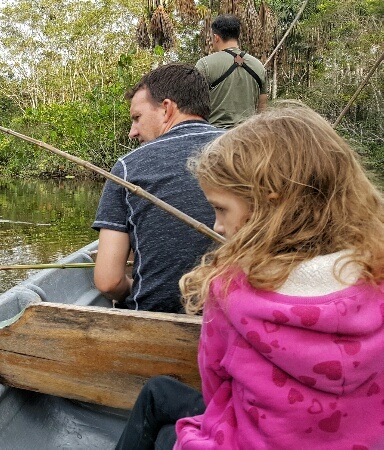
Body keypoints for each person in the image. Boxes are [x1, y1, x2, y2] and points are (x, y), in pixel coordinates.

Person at [117, 101, 384, 449]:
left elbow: (216, 397)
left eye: (221, 209)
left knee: (163, 409)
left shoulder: (230, 292)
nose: (217, 225)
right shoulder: (375, 278)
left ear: (270, 203)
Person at [92, 63, 221, 313]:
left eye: (137, 118)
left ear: (166, 108)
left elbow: (108, 282)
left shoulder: (128, 168)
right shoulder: (252, 153)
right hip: (236, 319)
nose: (132, 132)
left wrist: (134, 285)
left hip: (157, 320)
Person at [196, 14, 267, 129]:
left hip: (215, 138)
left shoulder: (205, 65)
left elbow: (194, 106)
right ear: (237, 35)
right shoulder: (259, 66)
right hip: (247, 135)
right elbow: (262, 107)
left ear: (216, 37)